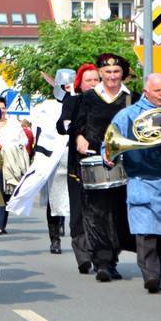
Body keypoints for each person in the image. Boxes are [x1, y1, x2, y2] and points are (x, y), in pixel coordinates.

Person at [105, 73, 161, 293]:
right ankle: (150, 275)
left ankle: (156, 272)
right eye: (157, 91)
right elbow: (111, 139)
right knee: (145, 231)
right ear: (146, 92)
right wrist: (107, 156)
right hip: (140, 180)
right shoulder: (128, 115)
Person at [73, 53, 139, 282]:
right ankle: (102, 261)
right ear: (100, 73)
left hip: (124, 163)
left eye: (116, 72)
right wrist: (79, 138)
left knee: (120, 213)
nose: (112, 76)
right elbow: (76, 126)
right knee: (97, 212)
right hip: (95, 162)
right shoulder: (88, 98)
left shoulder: (132, 98)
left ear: (123, 74)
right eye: (108, 72)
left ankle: (112, 260)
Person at [7, 70, 74, 254]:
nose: (69, 90)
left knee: (79, 201)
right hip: (54, 158)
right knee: (55, 200)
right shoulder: (48, 107)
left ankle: (81, 241)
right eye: (65, 86)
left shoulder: (81, 102)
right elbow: (45, 134)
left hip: (75, 157)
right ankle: (55, 239)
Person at [57, 64, 99, 273]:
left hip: (103, 163)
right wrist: (73, 128)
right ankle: (83, 254)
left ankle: (102, 257)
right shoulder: (72, 101)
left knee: (101, 210)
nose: (93, 84)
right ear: (79, 85)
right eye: (89, 80)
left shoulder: (108, 102)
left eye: (95, 80)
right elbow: (61, 126)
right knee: (79, 210)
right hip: (79, 165)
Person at [0, 97, 29, 235]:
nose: (1, 111)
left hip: (11, 162)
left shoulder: (13, 123)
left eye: (3, 108)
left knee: (8, 193)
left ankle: (2, 223)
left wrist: (14, 147)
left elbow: (24, 139)